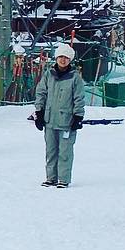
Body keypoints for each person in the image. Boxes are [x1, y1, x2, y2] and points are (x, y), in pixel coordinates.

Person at [33, 43, 85, 188]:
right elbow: (41, 93)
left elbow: (79, 98)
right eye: (61, 57)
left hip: (66, 121)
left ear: (70, 60)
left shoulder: (74, 78)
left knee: (65, 151)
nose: (63, 60)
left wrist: (78, 117)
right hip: (49, 120)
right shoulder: (49, 75)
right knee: (51, 150)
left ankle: (63, 178)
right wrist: (39, 111)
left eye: (66, 57)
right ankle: (51, 177)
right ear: (56, 58)